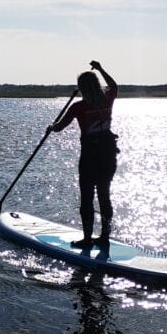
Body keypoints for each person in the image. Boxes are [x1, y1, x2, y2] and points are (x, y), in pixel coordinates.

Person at [48, 61, 119, 248]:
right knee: (104, 196)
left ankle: (87, 239)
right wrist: (101, 69)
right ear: (97, 84)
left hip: (90, 158)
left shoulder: (78, 107)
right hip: (108, 155)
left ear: (81, 88)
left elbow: (60, 127)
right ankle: (104, 237)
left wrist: (51, 127)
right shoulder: (108, 98)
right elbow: (114, 86)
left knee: (87, 198)